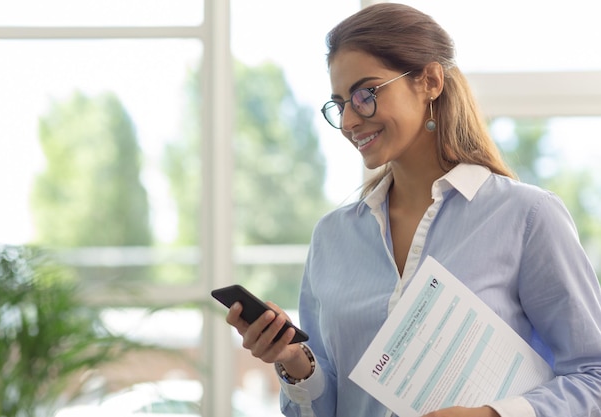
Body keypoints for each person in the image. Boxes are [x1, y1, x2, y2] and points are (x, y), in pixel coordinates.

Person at [226, 3, 601, 417]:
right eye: (340, 103)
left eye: (365, 94)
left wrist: (494, 415)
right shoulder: (332, 237)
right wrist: (295, 361)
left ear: (430, 81)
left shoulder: (527, 217)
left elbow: (593, 376)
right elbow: (322, 408)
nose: (350, 119)